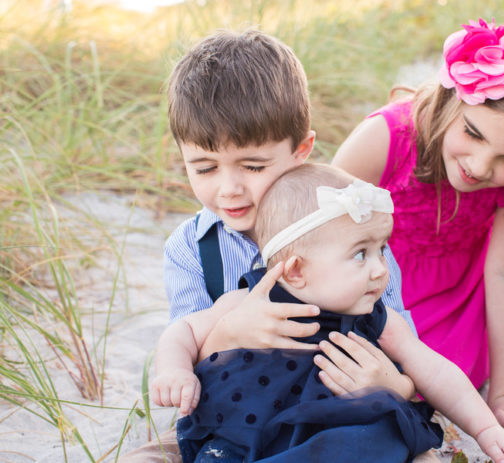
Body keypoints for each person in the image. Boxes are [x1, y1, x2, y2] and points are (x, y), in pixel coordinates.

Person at [121, 29, 419, 462]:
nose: (230, 189)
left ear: (302, 150)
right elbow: (184, 349)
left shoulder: (352, 234)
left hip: (343, 418)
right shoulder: (191, 247)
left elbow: (405, 349)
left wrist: (394, 384)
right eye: (205, 168)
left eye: (253, 165)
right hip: (234, 425)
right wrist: (229, 331)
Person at [332, 19, 504, 435]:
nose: (480, 167)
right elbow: (314, 227)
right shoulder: (385, 138)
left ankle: (404, 388)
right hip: (361, 294)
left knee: (442, 372)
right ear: (453, 96)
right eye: (473, 133)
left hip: (449, 312)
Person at [151, 163, 504, 463]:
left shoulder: (376, 318)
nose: (382, 269)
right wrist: (173, 369)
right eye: (361, 254)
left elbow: (436, 371)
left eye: (381, 249)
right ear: (296, 270)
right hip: (249, 434)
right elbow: (184, 330)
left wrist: (485, 429)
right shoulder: (251, 301)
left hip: (351, 434)